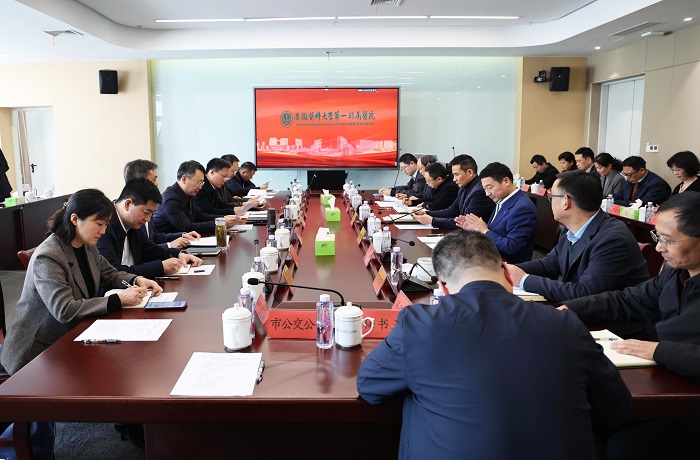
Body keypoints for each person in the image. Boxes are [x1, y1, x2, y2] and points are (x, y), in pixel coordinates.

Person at [357, 230, 632, 460]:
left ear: (443, 288)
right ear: (508, 275)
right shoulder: (566, 324)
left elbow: (369, 385)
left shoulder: (419, 324)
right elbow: (617, 407)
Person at [559, 192, 700, 459]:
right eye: (658, 237)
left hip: (689, 403)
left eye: (668, 240)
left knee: (623, 445)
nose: (658, 248)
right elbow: (630, 299)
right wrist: (570, 308)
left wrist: (657, 350)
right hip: (665, 380)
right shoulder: (675, 272)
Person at [0, 189, 163, 374]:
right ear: (75, 219)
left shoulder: (86, 245)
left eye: (106, 225)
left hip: (70, 337)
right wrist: (117, 300)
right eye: (99, 224)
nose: (103, 231)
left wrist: (137, 279)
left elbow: (109, 273)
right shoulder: (48, 256)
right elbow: (64, 309)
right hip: (37, 353)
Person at [506, 170, 649, 302]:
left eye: (551, 197)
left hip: (611, 319)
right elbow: (549, 264)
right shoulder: (569, 228)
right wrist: (505, 270)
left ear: (565, 201)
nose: (550, 202)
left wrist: (524, 280)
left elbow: (585, 293)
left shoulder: (612, 239)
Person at [97, 179, 202, 279]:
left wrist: (178, 254)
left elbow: (149, 250)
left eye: (152, 214)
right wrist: (160, 267)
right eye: (146, 212)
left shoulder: (133, 222)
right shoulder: (103, 227)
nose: (148, 219)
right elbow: (113, 272)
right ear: (128, 204)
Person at [457, 162, 538, 263]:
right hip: (490, 258)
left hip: (507, 266)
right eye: (485, 188)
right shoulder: (502, 200)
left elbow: (512, 247)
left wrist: (484, 231)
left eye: (490, 187)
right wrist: (474, 230)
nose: (487, 193)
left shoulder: (523, 208)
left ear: (506, 181)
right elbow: (494, 232)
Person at [123, 159, 199, 248]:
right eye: (154, 180)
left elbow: (154, 237)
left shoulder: (147, 206)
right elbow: (144, 251)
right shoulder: (133, 214)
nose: (157, 184)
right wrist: (169, 245)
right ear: (141, 182)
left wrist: (182, 235)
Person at [152, 160, 240, 234]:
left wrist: (222, 219)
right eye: (198, 182)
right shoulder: (170, 200)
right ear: (184, 179)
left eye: (202, 183)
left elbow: (200, 216)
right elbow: (186, 227)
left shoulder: (186, 193)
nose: (200, 187)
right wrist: (220, 223)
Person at [414, 155, 494, 228]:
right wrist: (426, 213)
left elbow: (466, 223)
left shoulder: (479, 192)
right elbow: (452, 211)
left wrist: (432, 221)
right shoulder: (463, 187)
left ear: (469, 172)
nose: (454, 179)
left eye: (456, 175)